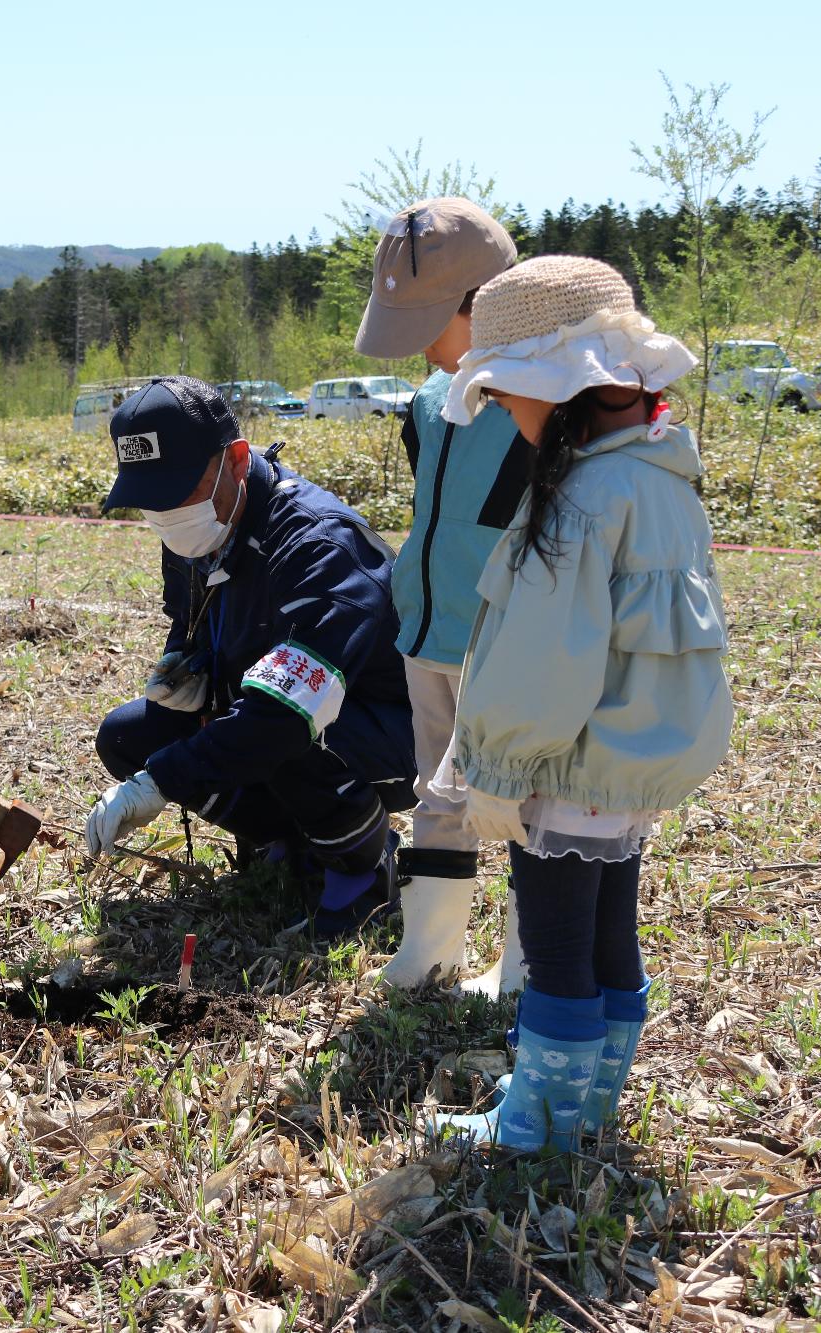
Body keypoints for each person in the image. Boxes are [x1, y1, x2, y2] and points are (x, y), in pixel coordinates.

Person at [428, 256, 732, 1151]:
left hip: (565, 761)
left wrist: (496, 769)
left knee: (555, 944)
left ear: (560, 392)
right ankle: (590, 1103)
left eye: (510, 393)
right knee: (609, 932)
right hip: (630, 758)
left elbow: (538, 662)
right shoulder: (662, 477)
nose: (506, 414)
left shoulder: (577, 501)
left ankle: (537, 1128)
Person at [84, 376, 414, 939]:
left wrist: (162, 780)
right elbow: (189, 623)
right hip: (272, 702)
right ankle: (293, 836)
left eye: (179, 490)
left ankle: (362, 865)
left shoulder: (318, 544)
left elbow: (288, 710)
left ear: (237, 460)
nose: (165, 516)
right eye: (149, 500)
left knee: (284, 731)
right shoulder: (198, 530)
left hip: (391, 731)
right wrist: (179, 673)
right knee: (131, 736)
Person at [352, 198, 529, 993]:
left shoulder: (541, 406)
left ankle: (526, 963)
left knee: (527, 802)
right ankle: (430, 948)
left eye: (432, 321)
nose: (421, 343)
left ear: (484, 303)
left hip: (506, 643)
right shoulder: (427, 403)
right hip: (427, 633)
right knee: (438, 790)